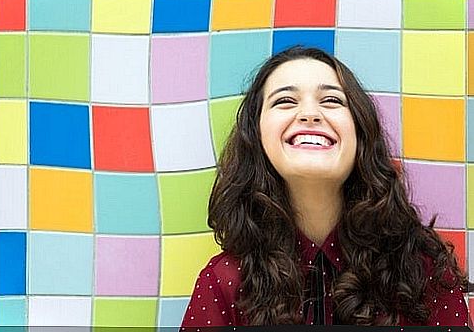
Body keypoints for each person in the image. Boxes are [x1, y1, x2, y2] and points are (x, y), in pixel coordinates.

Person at [180, 47, 470, 327]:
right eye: (285, 101)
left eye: (331, 100)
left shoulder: (423, 270)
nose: (309, 114)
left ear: (361, 132)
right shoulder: (222, 282)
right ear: (256, 136)